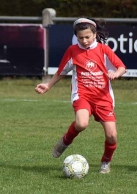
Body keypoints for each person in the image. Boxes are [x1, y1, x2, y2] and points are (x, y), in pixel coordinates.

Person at [35, 18, 126, 173]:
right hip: (82, 95)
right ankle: (65, 141)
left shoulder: (104, 49)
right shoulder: (72, 51)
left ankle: (105, 161)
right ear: (76, 37)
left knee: (112, 135)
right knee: (81, 124)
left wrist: (116, 73)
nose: (84, 41)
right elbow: (61, 71)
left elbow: (121, 67)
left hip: (103, 97)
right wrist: (48, 85)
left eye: (87, 37)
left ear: (95, 34)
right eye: (80, 38)